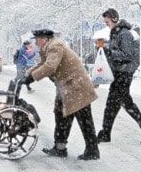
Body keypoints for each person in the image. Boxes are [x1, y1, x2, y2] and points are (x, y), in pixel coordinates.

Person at [21, 28, 100, 160]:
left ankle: (92, 150)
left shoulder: (55, 46)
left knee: (84, 119)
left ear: (44, 39)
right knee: (61, 114)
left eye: (38, 39)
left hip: (76, 86)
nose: (36, 42)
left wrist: (32, 77)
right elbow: (42, 64)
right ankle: (60, 148)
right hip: (66, 86)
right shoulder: (48, 47)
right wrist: (26, 74)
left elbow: (50, 66)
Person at [98, 8, 141, 144]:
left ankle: (106, 133)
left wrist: (110, 52)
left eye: (107, 22)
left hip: (123, 74)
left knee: (115, 104)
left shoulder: (124, 34)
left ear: (114, 19)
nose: (106, 24)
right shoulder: (115, 33)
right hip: (119, 73)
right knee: (119, 104)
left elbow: (127, 55)